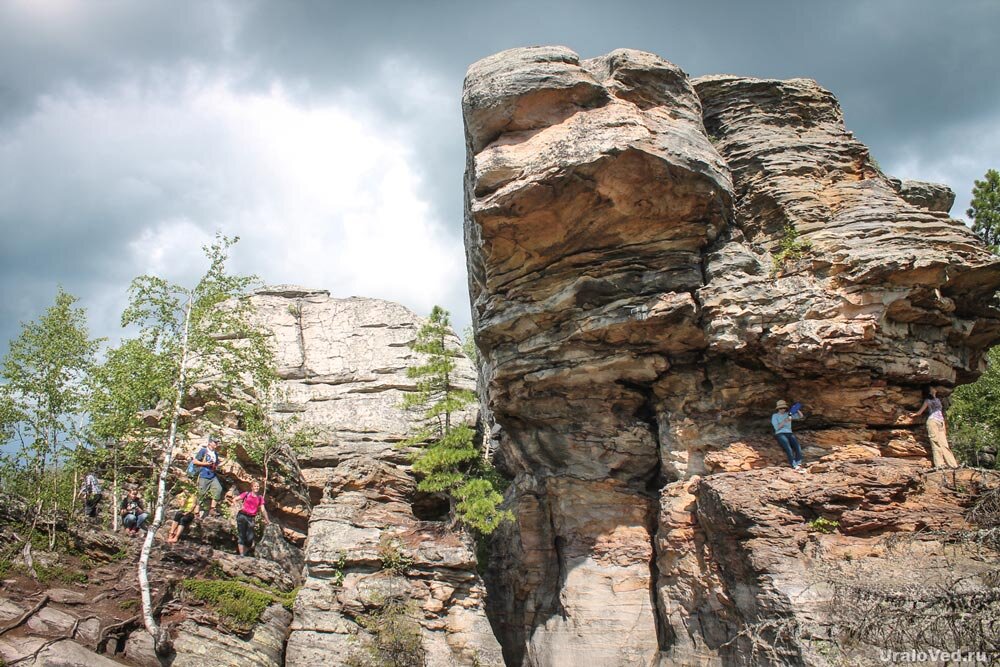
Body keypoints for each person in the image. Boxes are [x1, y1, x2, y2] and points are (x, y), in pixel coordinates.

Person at [910, 386, 959, 468]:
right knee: (935, 442)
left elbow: (941, 412)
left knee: (944, 443)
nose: (934, 389)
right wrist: (914, 414)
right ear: (930, 391)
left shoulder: (938, 399)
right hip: (932, 422)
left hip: (940, 422)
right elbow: (920, 412)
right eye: (932, 388)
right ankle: (939, 464)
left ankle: (953, 465)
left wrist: (943, 425)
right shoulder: (927, 400)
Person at [231, 480, 270, 556]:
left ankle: (244, 552)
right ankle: (241, 555)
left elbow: (263, 510)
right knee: (241, 535)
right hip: (242, 516)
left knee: (250, 538)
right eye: (255, 486)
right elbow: (235, 499)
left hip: (251, 518)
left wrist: (267, 520)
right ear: (252, 487)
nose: (256, 487)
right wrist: (238, 507)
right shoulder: (246, 494)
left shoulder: (260, 498)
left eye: (258, 486)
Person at [191, 435, 224, 517]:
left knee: (218, 489)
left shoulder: (215, 453)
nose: (216, 444)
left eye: (217, 442)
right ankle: (196, 512)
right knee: (201, 493)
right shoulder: (204, 451)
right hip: (203, 474)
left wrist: (219, 466)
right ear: (210, 442)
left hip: (212, 475)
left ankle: (212, 509)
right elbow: (195, 461)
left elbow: (216, 464)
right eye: (215, 442)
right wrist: (205, 464)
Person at [772, 399, 806, 470]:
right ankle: (793, 464)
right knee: (788, 448)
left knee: (797, 447)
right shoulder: (775, 416)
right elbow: (776, 427)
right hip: (780, 433)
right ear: (778, 409)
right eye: (781, 408)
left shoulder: (788, 414)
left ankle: (798, 462)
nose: (783, 409)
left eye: (784, 408)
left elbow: (801, 416)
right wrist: (785, 420)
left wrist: (796, 409)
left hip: (789, 433)